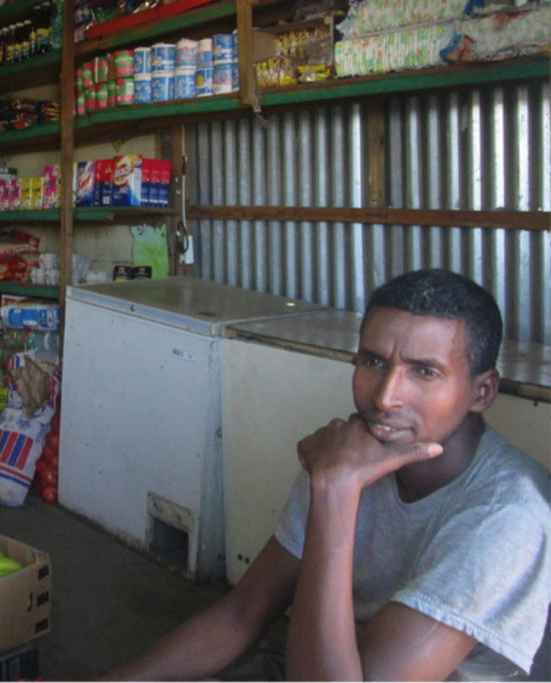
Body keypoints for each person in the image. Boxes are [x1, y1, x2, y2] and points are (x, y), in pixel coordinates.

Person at [104, 268, 551, 681]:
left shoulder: (507, 515)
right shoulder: (351, 455)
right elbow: (243, 613)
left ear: (482, 392)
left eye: (425, 372)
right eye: (373, 362)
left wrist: (335, 490)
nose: (386, 397)